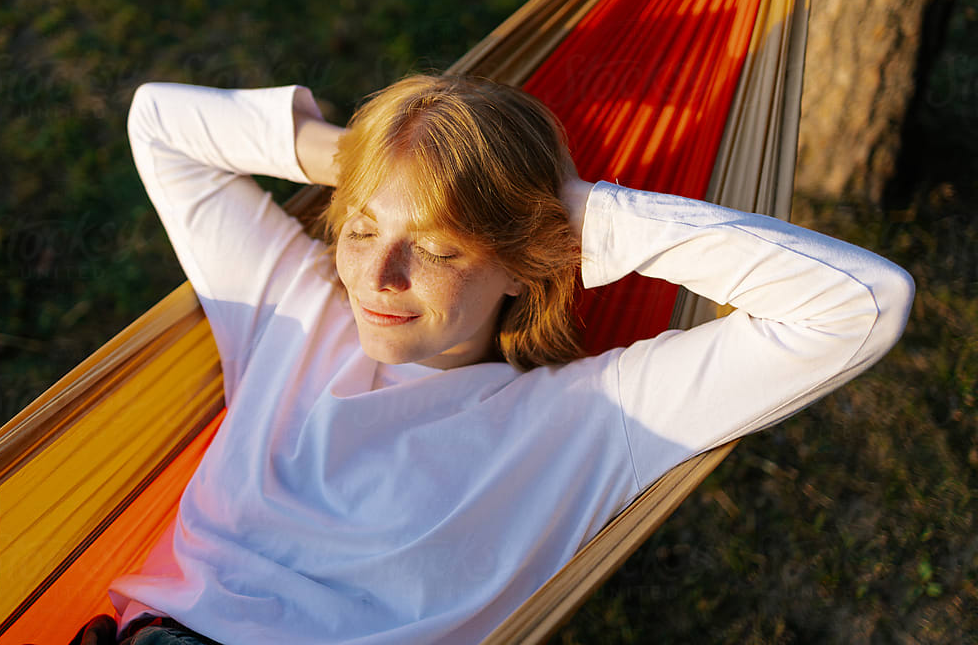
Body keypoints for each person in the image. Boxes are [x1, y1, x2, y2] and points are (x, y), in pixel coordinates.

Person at [98, 74, 913, 645]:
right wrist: (372, 159)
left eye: (438, 248)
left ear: (524, 262)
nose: (377, 279)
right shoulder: (293, 304)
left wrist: (571, 213)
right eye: (360, 228)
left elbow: (859, 304)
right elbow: (159, 122)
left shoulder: (592, 420)